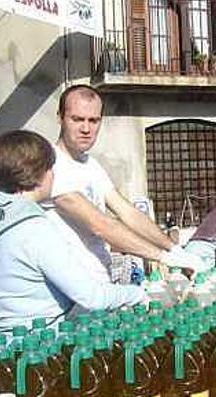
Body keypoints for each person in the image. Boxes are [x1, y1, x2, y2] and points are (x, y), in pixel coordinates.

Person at [0, 130, 145, 344]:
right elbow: (91, 297)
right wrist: (134, 294)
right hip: (36, 354)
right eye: (51, 168)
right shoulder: (36, 229)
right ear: (39, 174)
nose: (53, 174)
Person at [42, 85, 203, 282]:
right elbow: (100, 224)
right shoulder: (51, 165)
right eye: (77, 119)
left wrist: (175, 249)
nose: (86, 128)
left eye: (93, 121)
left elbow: (127, 212)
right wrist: (165, 257)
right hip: (67, 287)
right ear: (60, 118)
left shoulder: (90, 165)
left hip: (98, 283)